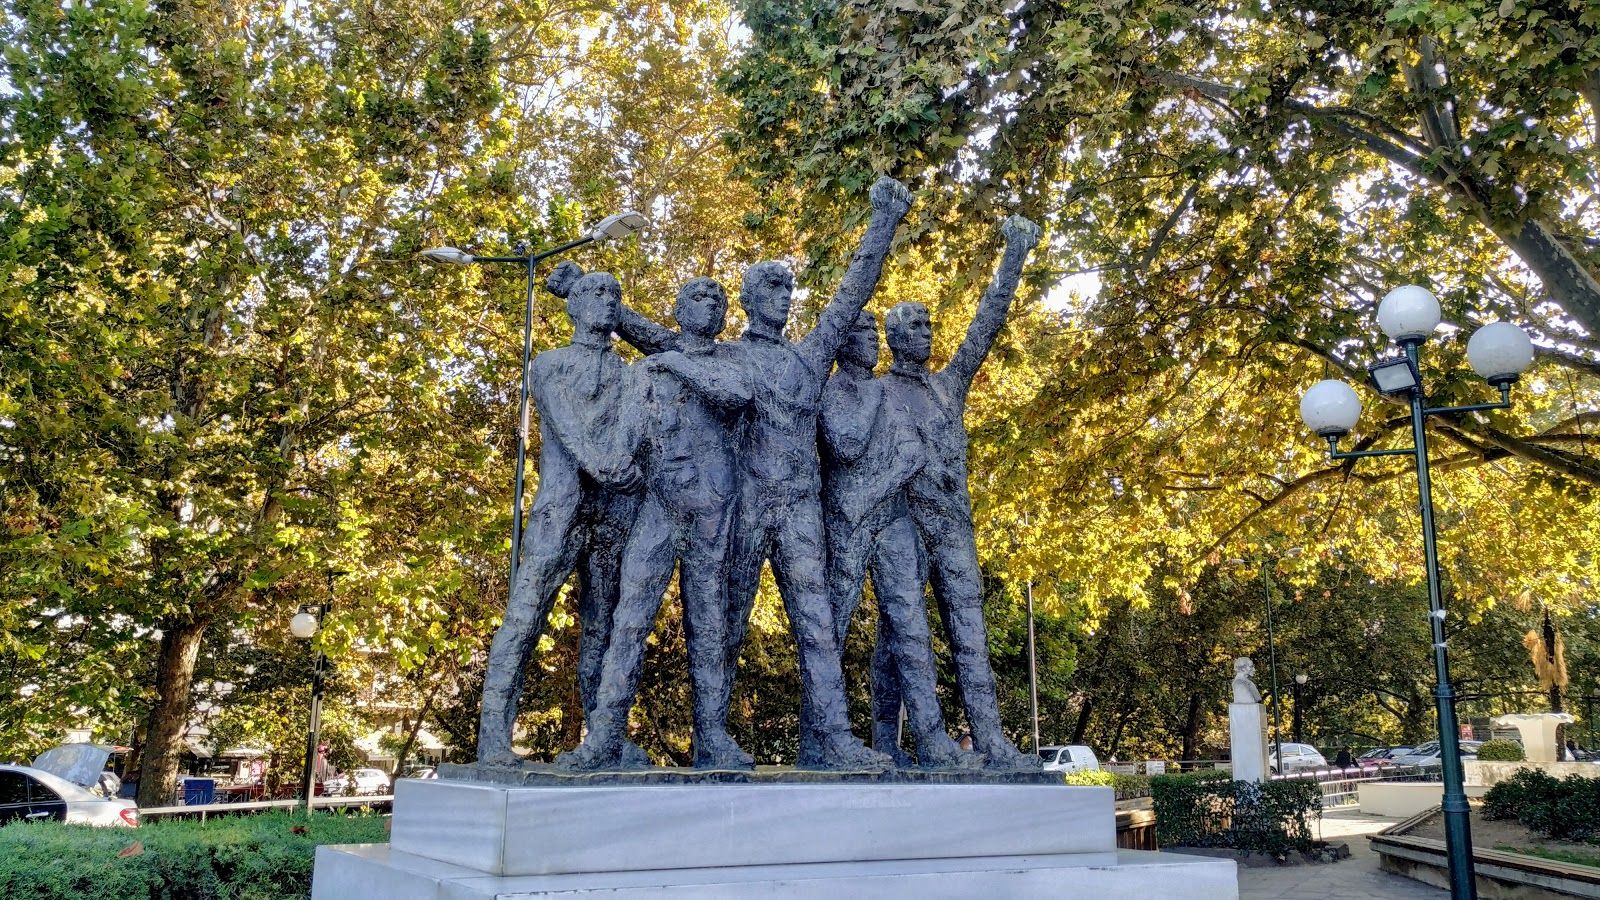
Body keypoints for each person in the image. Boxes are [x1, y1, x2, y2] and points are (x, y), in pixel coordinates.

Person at [612, 176, 913, 769]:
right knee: (724, 622)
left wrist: (883, 222)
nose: (784, 293)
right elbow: (660, 340)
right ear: (748, 298)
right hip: (744, 502)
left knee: (818, 619)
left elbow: (853, 292)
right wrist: (614, 311)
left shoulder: (810, 352)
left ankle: (832, 738)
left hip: (800, 505)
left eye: (788, 285)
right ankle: (712, 736)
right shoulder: (726, 356)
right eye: (771, 285)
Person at [558, 278, 756, 770]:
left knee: (709, 622)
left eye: (717, 300)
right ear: (678, 307)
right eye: (697, 298)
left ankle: (712, 734)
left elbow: (734, 397)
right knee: (630, 617)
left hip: (712, 506)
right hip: (660, 505)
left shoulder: (728, 363)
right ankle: (603, 736)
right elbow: (625, 437)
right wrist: (607, 465)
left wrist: (674, 362)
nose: (708, 306)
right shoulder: (644, 372)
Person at [875, 215, 1042, 769]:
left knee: (970, 631)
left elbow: (985, 326)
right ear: (895, 338)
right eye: (915, 326)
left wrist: (1014, 254)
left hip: (952, 526)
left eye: (928, 325)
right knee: (906, 637)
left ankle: (991, 740)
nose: (926, 332)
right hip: (899, 526)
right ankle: (920, 738)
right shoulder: (877, 394)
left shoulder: (949, 387)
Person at [477, 271, 647, 767]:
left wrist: (624, 467)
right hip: (562, 509)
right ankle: (492, 739)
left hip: (615, 510)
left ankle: (603, 739)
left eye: (615, 294)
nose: (607, 301)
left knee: (606, 624)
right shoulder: (549, 365)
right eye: (595, 292)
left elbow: (637, 429)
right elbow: (569, 429)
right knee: (525, 617)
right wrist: (608, 465)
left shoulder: (632, 373)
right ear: (572, 305)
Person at [821, 311, 977, 768]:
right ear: (843, 342)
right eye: (861, 333)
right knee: (832, 627)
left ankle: (930, 736)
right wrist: (878, 408)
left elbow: (914, 452)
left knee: (912, 627)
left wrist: (897, 471)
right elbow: (845, 444)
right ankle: (822, 738)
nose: (870, 341)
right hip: (847, 520)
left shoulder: (886, 391)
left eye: (874, 333)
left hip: (891, 518)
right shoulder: (838, 389)